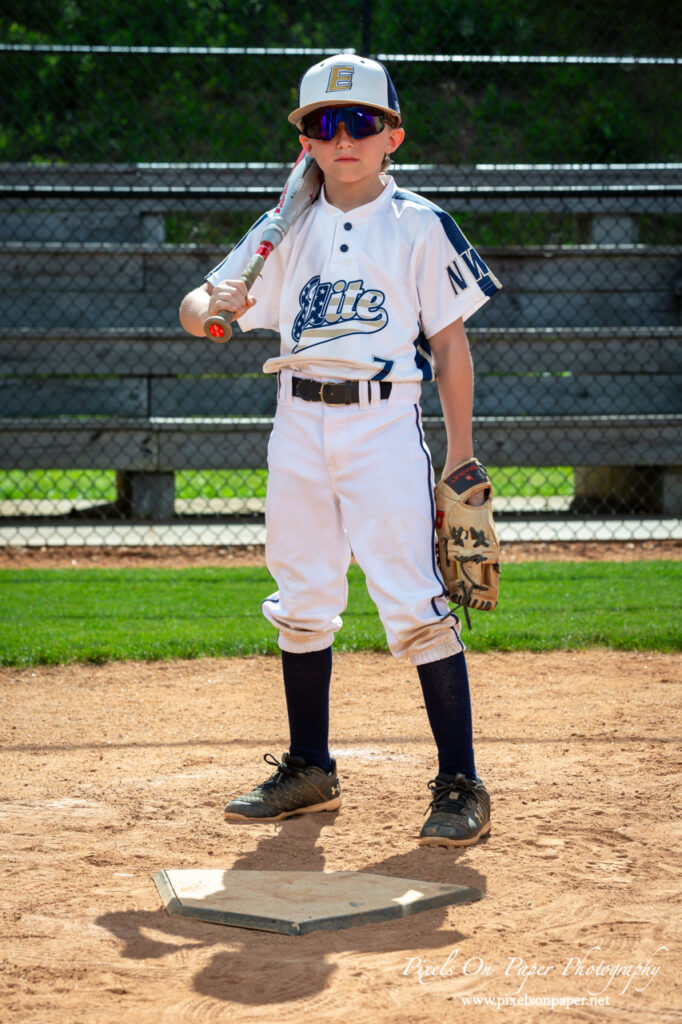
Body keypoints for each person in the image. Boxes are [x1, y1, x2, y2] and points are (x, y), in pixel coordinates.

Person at [179, 53, 501, 847]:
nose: (344, 138)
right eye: (325, 125)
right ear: (307, 144)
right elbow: (198, 308)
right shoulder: (282, 230)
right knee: (302, 597)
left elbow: (451, 346)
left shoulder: (418, 224)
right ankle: (309, 767)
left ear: (394, 135)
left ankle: (461, 782)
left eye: (361, 123)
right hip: (297, 423)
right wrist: (212, 304)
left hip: (383, 424)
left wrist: (459, 454)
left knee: (413, 600)